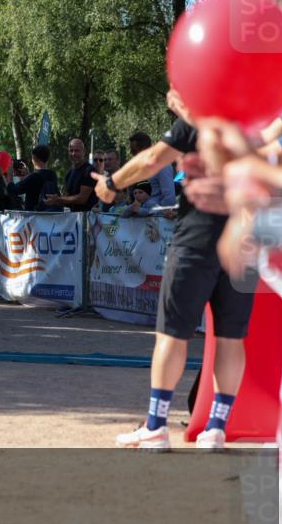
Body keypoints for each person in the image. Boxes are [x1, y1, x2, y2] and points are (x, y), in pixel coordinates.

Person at [97, 93, 256, 451]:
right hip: (246, 241)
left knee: (172, 334)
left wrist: (110, 183)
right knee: (232, 338)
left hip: (197, 238)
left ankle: (155, 425)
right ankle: (217, 427)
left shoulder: (202, 116)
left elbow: (153, 159)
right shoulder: (263, 118)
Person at [45, 138, 98, 212]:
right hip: (73, 219)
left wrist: (58, 199)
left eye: (77, 151)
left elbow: (82, 199)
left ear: (84, 152)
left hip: (89, 220)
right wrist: (53, 200)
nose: (74, 154)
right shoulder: (69, 173)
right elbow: (67, 199)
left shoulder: (90, 171)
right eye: (71, 151)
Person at [7, 144, 59, 212]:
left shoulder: (34, 177)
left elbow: (13, 190)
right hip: (48, 215)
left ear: (34, 158)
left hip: (34, 216)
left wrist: (10, 174)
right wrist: (28, 175)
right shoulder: (53, 175)